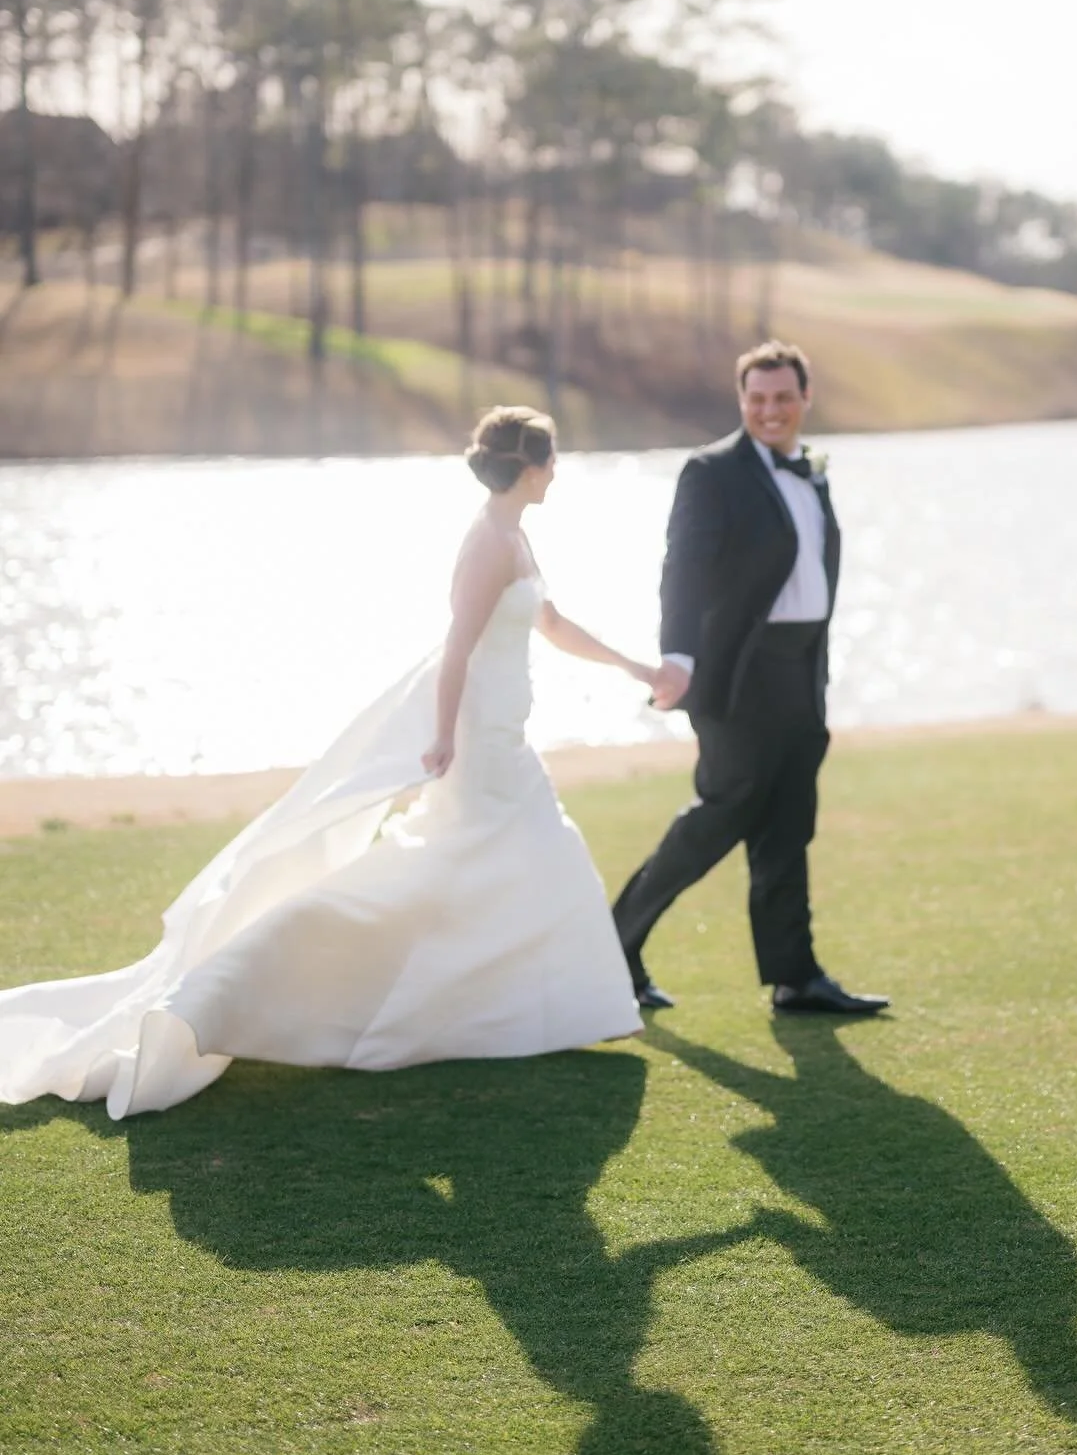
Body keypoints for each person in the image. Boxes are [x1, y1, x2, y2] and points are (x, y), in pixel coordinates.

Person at [0, 407, 648, 1120]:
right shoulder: (488, 543)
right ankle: (229, 988)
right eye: (551, 461)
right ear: (528, 468)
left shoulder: (516, 536)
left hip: (507, 734)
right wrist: (442, 737)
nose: (556, 473)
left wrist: (635, 668)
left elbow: (551, 623)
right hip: (481, 742)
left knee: (528, 862)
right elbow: (457, 648)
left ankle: (555, 1013)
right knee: (471, 866)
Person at [612, 340, 889, 1016]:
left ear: (805, 399)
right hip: (739, 675)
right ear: (742, 400)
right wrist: (678, 657)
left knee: (790, 823)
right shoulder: (712, 472)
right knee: (723, 815)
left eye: (783, 397)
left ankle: (796, 977)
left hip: (802, 671)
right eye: (757, 398)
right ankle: (614, 948)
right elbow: (682, 569)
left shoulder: (812, 471)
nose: (770, 410)